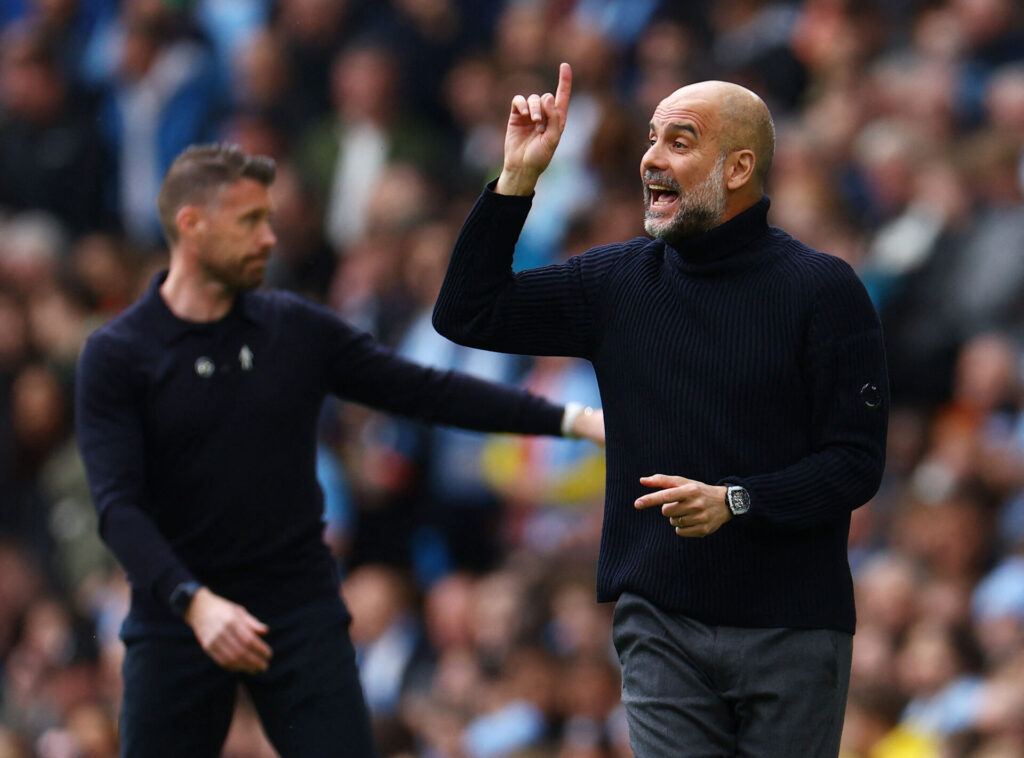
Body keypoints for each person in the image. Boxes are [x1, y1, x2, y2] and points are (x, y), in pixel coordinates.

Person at [74, 143, 604, 758]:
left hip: (298, 614)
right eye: (249, 221)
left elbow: (425, 392)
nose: (270, 238)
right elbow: (118, 509)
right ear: (191, 226)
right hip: (178, 619)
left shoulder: (292, 329)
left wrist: (568, 418)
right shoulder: (117, 354)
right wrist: (194, 604)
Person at [432, 63, 889, 756]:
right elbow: (467, 312)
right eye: (651, 139)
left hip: (792, 628)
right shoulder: (616, 282)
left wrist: (738, 500)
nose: (650, 157)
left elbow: (856, 464)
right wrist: (518, 178)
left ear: (738, 167)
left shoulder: (822, 291)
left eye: (679, 141)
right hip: (660, 625)